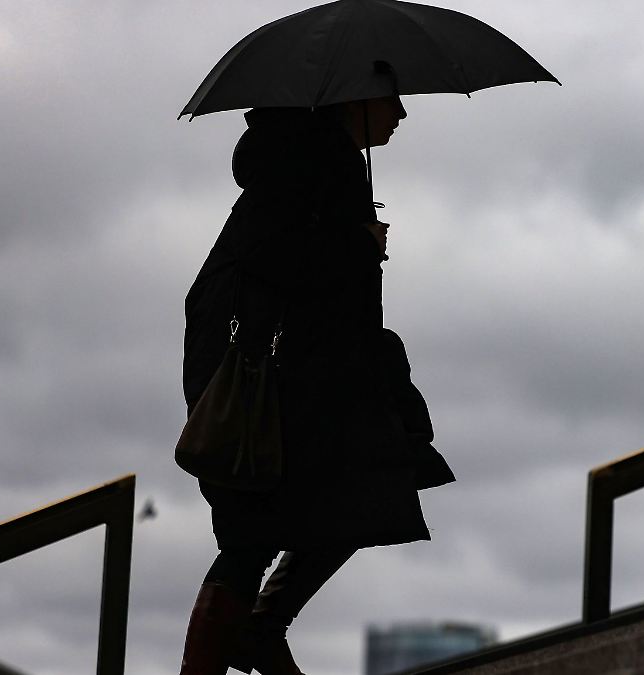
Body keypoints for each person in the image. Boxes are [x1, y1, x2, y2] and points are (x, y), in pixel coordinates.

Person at [178, 95, 455, 675]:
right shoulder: (317, 163)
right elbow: (291, 266)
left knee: (317, 511)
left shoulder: (298, 159)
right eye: (392, 96)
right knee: (292, 520)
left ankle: (259, 629)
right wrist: (361, 244)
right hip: (278, 392)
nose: (401, 112)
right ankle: (255, 631)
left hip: (269, 386)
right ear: (356, 98)